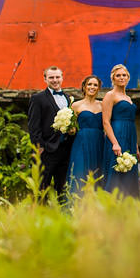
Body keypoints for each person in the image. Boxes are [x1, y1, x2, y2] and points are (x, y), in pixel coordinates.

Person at [27, 65, 75, 200]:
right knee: (42, 186)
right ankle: (40, 215)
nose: (55, 80)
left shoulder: (67, 98)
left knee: (62, 186)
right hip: (47, 149)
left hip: (65, 149)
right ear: (45, 79)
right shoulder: (38, 98)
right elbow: (33, 125)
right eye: (51, 77)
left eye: (57, 77)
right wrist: (39, 147)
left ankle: (61, 215)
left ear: (62, 78)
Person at [102, 64, 140, 198]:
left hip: (130, 136)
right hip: (117, 135)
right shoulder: (110, 95)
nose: (121, 77)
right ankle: (112, 204)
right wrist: (114, 143)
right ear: (113, 78)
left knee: (129, 170)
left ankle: (127, 205)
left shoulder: (128, 98)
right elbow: (106, 122)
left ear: (128, 77)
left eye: (124, 75)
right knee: (116, 169)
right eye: (118, 75)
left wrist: (135, 146)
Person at [67, 75, 105, 195]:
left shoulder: (103, 105)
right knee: (80, 169)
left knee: (98, 171)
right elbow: (71, 127)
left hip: (99, 142)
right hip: (81, 142)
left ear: (98, 88)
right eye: (89, 84)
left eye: (95, 85)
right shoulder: (75, 105)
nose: (92, 87)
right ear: (84, 87)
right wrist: (70, 129)